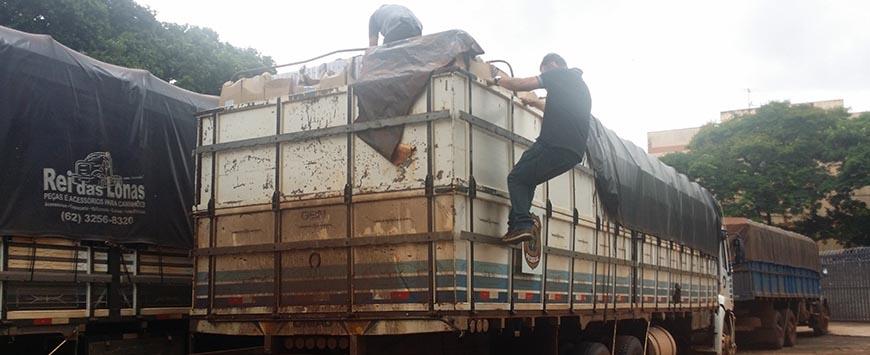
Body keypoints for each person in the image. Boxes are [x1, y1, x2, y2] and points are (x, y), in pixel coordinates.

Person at [490, 53, 592, 243]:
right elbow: (555, 108)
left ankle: (521, 224)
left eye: (543, 71)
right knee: (527, 180)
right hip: (572, 153)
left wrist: (498, 79)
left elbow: (522, 84)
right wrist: (534, 102)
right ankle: (517, 228)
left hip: (554, 143)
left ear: (552, 64)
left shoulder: (560, 74)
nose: (544, 76)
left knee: (516, 178)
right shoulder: (579, 87)